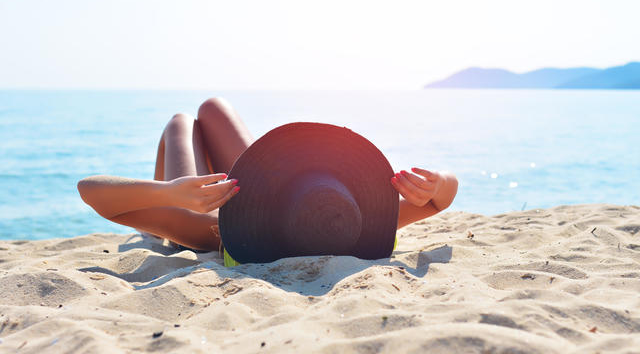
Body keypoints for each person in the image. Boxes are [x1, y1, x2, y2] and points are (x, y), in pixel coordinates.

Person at [77, 98, 458, 255]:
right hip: (266, 196)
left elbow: (91, 192)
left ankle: (153, 231)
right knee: (213, 107)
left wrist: (171, 193)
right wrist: (437, 182)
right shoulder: (353, 223)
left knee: (182, 123)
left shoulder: (208, 228)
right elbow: (443, 199)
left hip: (199, 208)